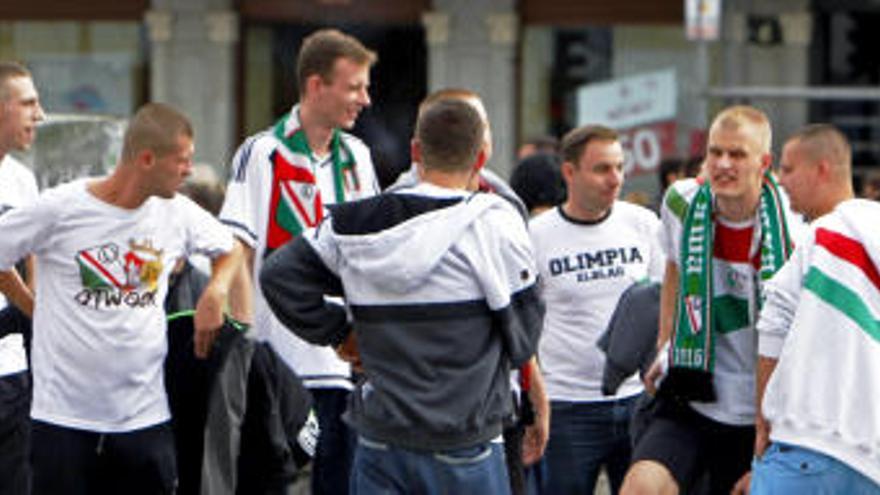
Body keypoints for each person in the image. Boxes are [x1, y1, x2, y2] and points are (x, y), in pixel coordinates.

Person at [260, 98, 544, 495]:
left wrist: (340, 333)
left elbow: (278, 276)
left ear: (415, 151)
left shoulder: (352, 224)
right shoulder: (496, 225)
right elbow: (524, 340)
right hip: (466, 443)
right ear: (481, 158)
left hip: (380, 441)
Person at [0, 102, 241, 494]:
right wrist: (32, 307)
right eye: (181, 161)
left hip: (144, 419)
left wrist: (215, 291)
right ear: (146, 159)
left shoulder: (177, 212)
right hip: (62, 420)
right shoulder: (61, 208)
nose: (188, 171)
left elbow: (229, 249)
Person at [219, 28, 379, 495]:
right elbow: (237, 249)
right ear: (315, 86)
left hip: (346, 365)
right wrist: (245, 348)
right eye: (354, 87)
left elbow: (370, 254)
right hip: (281, 363)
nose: (365, 100)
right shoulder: (264, 151)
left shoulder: (359, 156)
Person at [621, 105, 799, 495]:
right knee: (640, 487)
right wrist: (667, 342)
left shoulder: (794, 223)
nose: (722, 164)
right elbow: (674, 266)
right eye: (715, 152)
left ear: (764, 163)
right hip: (694, 392)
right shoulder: (681, 202)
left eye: (737, 155)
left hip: (765, 409)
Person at [390, 88, 550, 495]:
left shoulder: (504, 201)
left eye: (480, 126)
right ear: (420, 144)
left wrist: (534, 388)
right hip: (413, 411)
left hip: (498, 404)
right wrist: (344, 335)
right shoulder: (390, 207)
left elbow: (520, 313)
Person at [530, 125, 665, 494]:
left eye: (620, 167)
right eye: (602, 169)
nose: (615, 179)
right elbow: (523, 325)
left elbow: (665, 307)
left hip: (638, 399)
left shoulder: (643, 225)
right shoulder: (537, 235)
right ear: (570, 172)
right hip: (568, 406)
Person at [744, 125, 879, 493]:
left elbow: (773, 324)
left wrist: (762, 421)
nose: (779, 180)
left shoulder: (820, 238)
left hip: (807, 448)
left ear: (821, 169)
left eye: (787, 169)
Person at [0, 60, 44, 495]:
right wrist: (42, 314)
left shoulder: (22, 180)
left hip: (13, 369)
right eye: (28, 103)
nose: (40, 114)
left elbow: (33, 266)